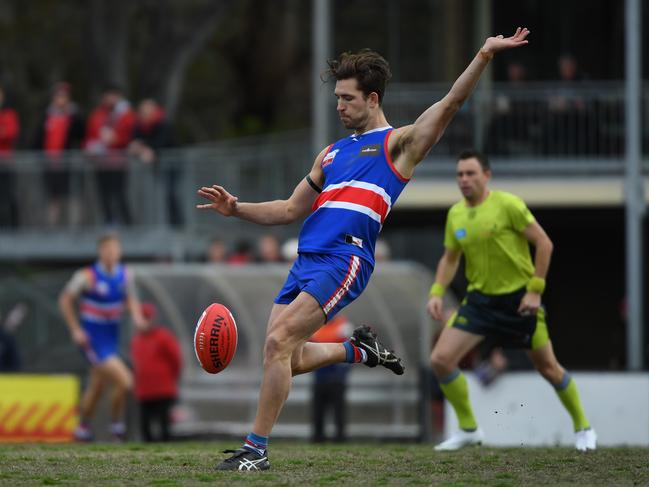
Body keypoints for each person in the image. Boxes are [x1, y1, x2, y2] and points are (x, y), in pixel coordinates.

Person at [197, 28, 530, 471]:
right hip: (308, 259)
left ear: (372, 99)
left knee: (277, 342)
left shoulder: (398, 145)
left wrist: (484, 55)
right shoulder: (330, 154)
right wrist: (236, 208)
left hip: (345, 259)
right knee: (286, 357)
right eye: (337, 97)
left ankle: (255, 450)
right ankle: (358, 350)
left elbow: (449, 104)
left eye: (348, 98)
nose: (339, 105)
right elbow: (289, 209)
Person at [427, 149, 596, 451]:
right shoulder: (456, 214)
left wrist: (535, 289)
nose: (464, 180)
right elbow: (450, 257)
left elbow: (544, 243)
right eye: (459, 175)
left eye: (470, 173)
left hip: (519, 301)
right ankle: (469, 430)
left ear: (486, 176)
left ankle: (584, 427)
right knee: (440, 359)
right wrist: (437, 292)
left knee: (549, 369)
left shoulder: (509, 205)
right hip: (479, 302)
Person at [58, 233, 145, 442]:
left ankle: (83, 428)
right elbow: (65, 300)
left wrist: (137, 318)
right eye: (107, 249)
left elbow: (130, 299)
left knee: (97, 387)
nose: (111, 254)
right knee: (125, 381)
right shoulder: (86, 276)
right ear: (101, 251)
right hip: (93, 341)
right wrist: (75, 329)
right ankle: (117, 427)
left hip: (111, 339)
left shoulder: (125, 275)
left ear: (119, 252)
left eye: (115, 249)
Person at [34, 82, 85, 226]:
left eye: (63, 96)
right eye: (58, 96)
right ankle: (52, 226)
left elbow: (81, 134)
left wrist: (72, 116)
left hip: (69, 163)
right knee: (52, 196)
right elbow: (38, 138)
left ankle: (74, 226)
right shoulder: (47, 115)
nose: (60, 99)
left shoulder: (74, 115)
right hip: (51, 163)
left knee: (72, 195)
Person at [130, 302, 182, 442]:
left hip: (163, 391)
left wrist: (172, 380)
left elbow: (176, 359)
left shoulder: (164, 337)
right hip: (144, 392)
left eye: (147, 317)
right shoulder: (136, 340)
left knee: (164, 426)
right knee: (145, 427)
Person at [84, 86, 136, 225]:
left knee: (119, 193)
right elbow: (90, 135)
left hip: (119, 162)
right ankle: (109, 222)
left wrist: (116, 139)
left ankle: (128, 224)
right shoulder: (98, 115)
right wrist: (90, 147)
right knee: (104, 194)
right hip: (101, 162)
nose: (109, 99)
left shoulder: (126, 114)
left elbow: (130, 135)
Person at [128, 99, 181, 226]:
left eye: (146, 112)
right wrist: (141, 148)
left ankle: (177, 223)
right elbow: (134, 143)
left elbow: (160, 143)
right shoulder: (139, 125)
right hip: (156, 168)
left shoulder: (163, 124)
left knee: (170, 193)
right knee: (154, 195)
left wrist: (146, 148)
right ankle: (154, 224)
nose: (144, 115)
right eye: (142, 112)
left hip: (171, 166)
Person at [309, 314, 353, 443]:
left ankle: (340, 437)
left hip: (337, 376)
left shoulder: (343, 326)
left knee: (338, 410)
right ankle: (318, 438)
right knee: (318, 410)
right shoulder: (316, 327)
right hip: (320, 375)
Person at [0, 85, 20, 227]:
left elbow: (11, 133)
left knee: (8, 195)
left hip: (5, 162)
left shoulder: (9, 114)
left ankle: (13, 226)